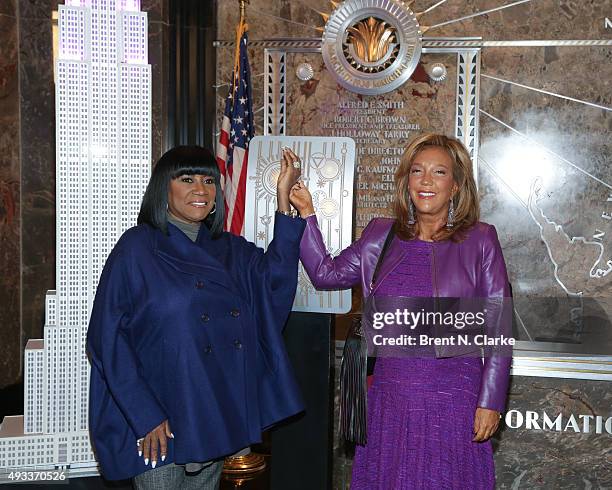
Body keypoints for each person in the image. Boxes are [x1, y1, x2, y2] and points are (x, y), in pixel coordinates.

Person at [289, 133, 512, 489]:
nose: (426, 181)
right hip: (390, 399)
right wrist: (306, 212)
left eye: (439, 172)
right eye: (417, 171)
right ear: (406, 181)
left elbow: (499, 330)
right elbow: (326, 274)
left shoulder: (480, 240)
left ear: (455, 186)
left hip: (453, 400)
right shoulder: (380, 234)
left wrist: (491, 401)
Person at [87, 146, 305, 488]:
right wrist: (144, 414)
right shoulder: (137, 247)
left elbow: (274, 285)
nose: (200, 189)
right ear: (164, 187)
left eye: (208, 180)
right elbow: (106, 338)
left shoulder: (231, 249)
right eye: (186, 179)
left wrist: (283, 201)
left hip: (212, 410)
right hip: (160, 419)